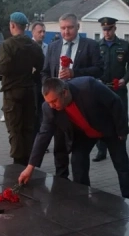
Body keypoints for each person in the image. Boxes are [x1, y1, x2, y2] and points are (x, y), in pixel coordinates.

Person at [18, 77, 129, 201]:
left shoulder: (88, 87)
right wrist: (30, 167)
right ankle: (83, 198)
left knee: (121, 163)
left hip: (108, 128)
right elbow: (43, 135)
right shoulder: (49, 108)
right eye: (48, 102)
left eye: (54, 101)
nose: (51, 106)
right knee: (77, 162)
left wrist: (122, 130)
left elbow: (115, 102)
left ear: (64, 92)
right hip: (83, 134)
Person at [41, 13, 103, 179]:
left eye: (69, 27)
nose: (66, 31)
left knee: (79, 153)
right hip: (59, 104)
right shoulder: (53, 47)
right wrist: (49, 89)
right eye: (63, 28)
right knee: (59, 146)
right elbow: (45, 71)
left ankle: (80, 186)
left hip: (79, 104)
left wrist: (75, 72)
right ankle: (61, 181)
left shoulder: (90, 45)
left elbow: (99, 70)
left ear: (77, 27)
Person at [0, 12, 44, 166]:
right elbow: (41, 66)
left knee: (15, 129)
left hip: (12, 92)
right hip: (29, 91)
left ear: (13, 25)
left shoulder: (7, 44)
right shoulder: (34, 45)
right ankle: (29, 162)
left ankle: (18, 163)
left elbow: (3, 67)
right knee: (28, 128)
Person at [93, 16, 129, 162]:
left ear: (114, 28)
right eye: (104, 29)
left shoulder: (123, 45)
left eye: (109, 29)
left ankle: (120, 148)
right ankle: (101, 150)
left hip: (119, 88)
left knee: (121, 118)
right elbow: (93, 66)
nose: (106, 32)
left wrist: (126, 78)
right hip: (102, 88)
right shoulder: (97, 46)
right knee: (100, 118)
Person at [31, 21, 49, 153]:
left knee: (44, 114)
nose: (42, 34)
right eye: (39, 32)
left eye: (44, 32)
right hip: (31, 85)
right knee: (33, 115)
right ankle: (33, 142)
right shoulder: (28, 47)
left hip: (45, 86)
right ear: (33, 33)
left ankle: (42, 143)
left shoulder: (48, 48)